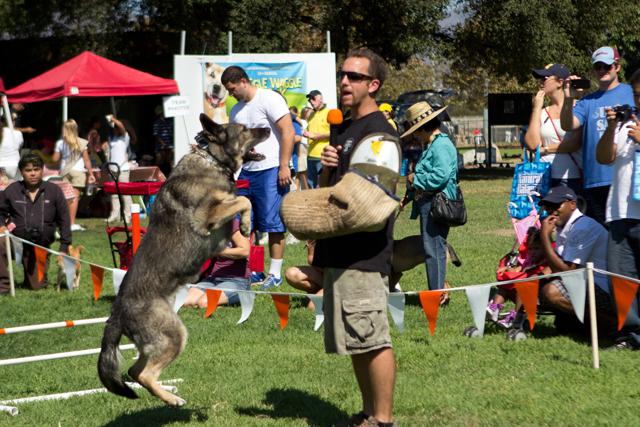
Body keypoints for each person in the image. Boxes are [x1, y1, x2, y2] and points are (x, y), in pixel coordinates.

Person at [314, 48, 398, 427]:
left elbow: (371, 202)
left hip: (364, 251)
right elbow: (327, 191)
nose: (344, 82)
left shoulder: (379, 132)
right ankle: (367, 413)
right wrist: (326, 171)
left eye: (354, 77)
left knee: (373, 338)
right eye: (342, 75)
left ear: (373, 84)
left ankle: (382, 420)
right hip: (339, 250)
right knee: (355, 341)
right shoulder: (344, 129)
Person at [221, 66, 294, 290]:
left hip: (272, 169)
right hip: (246, 173)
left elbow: (289, 131)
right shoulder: (236, 111)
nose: (231, 94)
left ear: (244, 81)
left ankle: (275, 274)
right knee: (243, 223)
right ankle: (251, 271)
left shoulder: (269, 98)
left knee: (273, 224)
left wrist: (284, 166)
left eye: (232, 89)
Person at [560, 46, 635, 226]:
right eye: (597, 67)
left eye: (607, 66)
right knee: (601, 243)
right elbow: (567, 125)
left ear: (617, 67)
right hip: (594, 182)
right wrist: (569, 98)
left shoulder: (633, 93)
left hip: (624, 178)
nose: (601, 70)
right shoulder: (587, 101)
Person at [595, 68, 640, 350]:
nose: (639, 100)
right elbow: (603, 158)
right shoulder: (626, 124)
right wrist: (612, 127)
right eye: (636, 95)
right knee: (622, 279)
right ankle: (632, 336)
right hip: (620, 212)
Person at [400, 102, 458, 300]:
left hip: (436, 204)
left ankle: (437, 295)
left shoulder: (441, 145)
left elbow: (440, 177)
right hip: (428, 203)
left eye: (416, 131)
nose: (415, 135)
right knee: (431, 248)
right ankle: (437, 292)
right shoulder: (431, 144)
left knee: (434, 249)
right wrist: (408, 198)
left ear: (424, 127)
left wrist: (414, 178)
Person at [536, 186, 614, 332]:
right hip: (587, 283)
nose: (551, 210)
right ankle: (576, 324)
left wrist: (545, 237)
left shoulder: (583, 227)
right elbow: (558, 265)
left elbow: (567, 272)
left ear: (572, 204)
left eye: (556, 205)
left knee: (551, 291)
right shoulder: (564, 226)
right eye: (548, 206)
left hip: (607, 290)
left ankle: (609, 322)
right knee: (534, 289)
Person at [0, 153, 71, 294]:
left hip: (40, 247)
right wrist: (1, 223)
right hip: (15, 243)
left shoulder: (54, 190)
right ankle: (3, 286)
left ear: (42, 170)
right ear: (22, 172)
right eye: (28, 170)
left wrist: (64, 246)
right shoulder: (11, 190)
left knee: (37, 286)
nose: (33, 173)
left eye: (36, 169)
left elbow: (64, 219)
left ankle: (31, 275)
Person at [525, 63, 582, 193]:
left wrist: (545, 149)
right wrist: (536, 109)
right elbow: (533, 145)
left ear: (560, 82)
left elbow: (575, 143)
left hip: (571, 177)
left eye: (545, 78)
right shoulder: (542, 110)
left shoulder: (578, 107)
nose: (540, 82)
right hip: (544, 177)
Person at [183, 217, 251, 308]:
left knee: (204, 303)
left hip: (236, 280)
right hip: (213, 278)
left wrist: (217, 251)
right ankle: (221, 300)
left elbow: (245, 251)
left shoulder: (232, 224)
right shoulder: (208, 227)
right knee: (187, 302)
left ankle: (236, 298)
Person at [489, 228, 548, 328]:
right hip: (520, 289)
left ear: (546, 248)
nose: (532, 252)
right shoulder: (528, 261)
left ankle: (517, 317)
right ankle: (494, 308)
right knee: (505, 285)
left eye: (536, 248)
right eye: (530, 249)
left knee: (521, 286)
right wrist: (506, 268)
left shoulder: (544, 263)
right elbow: (517, 270)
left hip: (533, 293)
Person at [52, 119, 96, 231]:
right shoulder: (80, 142)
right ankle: (71, 224)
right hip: (77, 171)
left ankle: (62, 221)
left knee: (65, 198)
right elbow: (86, 160)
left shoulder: (60, 143)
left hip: (65, 171)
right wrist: (91, 174)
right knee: (74, 198)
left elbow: (55, 159)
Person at [104, 115, 134, 223]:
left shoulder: (125, 138)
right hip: (112, 169)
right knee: (114, 194)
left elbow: (121, 126)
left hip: (122, 169)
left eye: (116, 128)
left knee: (125, 193)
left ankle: (128, 215)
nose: (114, 130)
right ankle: (115, 214)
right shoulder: (112, 139)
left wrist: (112, 118)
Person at [285, 241, 323, 310]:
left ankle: (327, 292)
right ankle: (320, 291)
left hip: (339, 277)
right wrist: (322, 264)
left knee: (312, 307)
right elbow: (311, 257)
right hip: (323, 273)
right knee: (291, 274)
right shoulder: (315, 232)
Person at [304, 89, 331, 189]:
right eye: (310, 99)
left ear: (321, 99)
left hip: (322, 155)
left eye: (313, 98)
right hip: (310, 154)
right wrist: (305, 133)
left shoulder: (329, 113)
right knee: (311, 185)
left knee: (321, 186)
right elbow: (310, 131)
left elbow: (336, 133)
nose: (311, 101)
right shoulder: (311, 115)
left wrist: (320, 136)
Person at [0, 115, 24, 180]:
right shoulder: (17, 133)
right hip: (13, 165)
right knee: (15, 188)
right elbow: (20, 147)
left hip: (1, 164)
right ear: (12, 121)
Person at [153, 105, 174, 177]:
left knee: (171, 162)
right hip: (161, 147)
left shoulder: (169, 122)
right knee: (159, 162)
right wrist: (163, 144)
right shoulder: (157, 122)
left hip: (170, 145)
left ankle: (171, 176)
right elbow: (157, 135)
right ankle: (156, 176)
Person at [297, 107, 312, 190]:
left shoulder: (308, 122)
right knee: (302, 172)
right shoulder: (302, 122)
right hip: (302, 148)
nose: (311, 114)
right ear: (305, 113)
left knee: (304, 172)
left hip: (307, 148)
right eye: (310, 112)